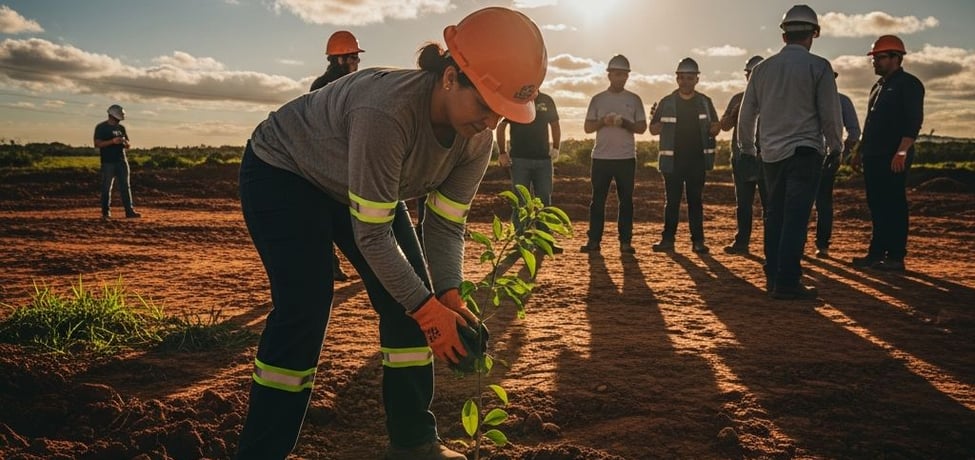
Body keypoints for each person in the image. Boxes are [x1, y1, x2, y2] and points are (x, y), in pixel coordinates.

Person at [234, 7, 547, 460]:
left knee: (412, 302)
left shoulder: (478, 138)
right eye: (484, 103)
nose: (490, 122)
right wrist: (426, 308)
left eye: (502, 113)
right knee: (305, 307)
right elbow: (374, 235)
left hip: (359, 185)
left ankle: (414, 444)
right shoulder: (387, 111)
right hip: (284, 171)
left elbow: (444, 222)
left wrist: (448, 296)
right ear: (449, 77)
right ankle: (261, 453)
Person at [737, 4, 843, 300]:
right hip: (806, 152)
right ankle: (787, 282)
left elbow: (747, 117)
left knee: (775, 216)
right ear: (814, 34)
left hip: (771, 155)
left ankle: (773, 277)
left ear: (784, 36)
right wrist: (836, 146)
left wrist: (747, 148)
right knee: (796, 217)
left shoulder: (761, 69)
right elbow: (830, 114)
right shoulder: (819, 66)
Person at [850, 35, 924, 272]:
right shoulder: (877, 87)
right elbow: (870, 123)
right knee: (877, 204)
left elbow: (913, 124)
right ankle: (876, 254)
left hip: (893, 157)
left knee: (893, 204)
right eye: (874, 58)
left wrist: (901, 152)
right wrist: (859, 151)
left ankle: (895, 257)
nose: (875, 62)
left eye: (880, 58)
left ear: (896, 58)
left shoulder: (909, 84)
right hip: (873, 155)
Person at [649, 57, 720, 254]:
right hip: (673, 162)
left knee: (695, 202)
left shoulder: (705, 102)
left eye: (690, 77)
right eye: (682, 77)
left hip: (697, 161)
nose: (686, 81)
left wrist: (716, 127)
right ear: (677, 78)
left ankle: (698, 242)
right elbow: (653, 130)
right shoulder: (666, 102)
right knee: (671, 202)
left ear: (697, 79)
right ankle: (668, 240)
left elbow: (715, 127)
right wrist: (656, 123)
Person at [310, 30, 366, 281]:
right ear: (339, 59)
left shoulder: (320, 85)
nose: (356, 62)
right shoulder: (333, 86)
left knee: (327, 217)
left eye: (356, 57)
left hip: (324, 159)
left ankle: (331, 264)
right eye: (353, 57)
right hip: (333, 159)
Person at [579, 54, 647, 254]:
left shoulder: (634, 99)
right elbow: (587, 128)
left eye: (624, 75)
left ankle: (625, 242)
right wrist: (603, 121)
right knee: (597, 201)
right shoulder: (598, 99)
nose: (621, 78)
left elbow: (642, 128)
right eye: (617, 74)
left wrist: (625, 122)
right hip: (601, 158)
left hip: (626, 158)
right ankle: (594, 241)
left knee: (626, 201)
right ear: (609, 75)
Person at [496, 90, 562, 251]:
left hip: (543, 160)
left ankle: (544, 241)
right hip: (519, 160)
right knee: (520, 201)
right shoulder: (515, 98)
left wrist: (556, 147)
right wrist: (502, 152)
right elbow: (501, 126)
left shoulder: (546, 100)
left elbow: (555, 124)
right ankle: (521, 241)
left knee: (544, 200)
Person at [720, 55, 767, 255]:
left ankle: (771, 244)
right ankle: (742, 242)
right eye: (750, 73)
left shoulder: (773, 98)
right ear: (746, 75)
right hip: (741, 158)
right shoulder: (737, 99)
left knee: (770, 205)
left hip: (767, 159)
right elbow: (724, 126)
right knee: (744, 204)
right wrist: (734, 114)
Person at [813, 73, 861, 258]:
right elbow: (855, 132)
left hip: (826, 157)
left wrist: (841, 153)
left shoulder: (842, 101)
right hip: (810, 155)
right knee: (815, 200)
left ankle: (821, 244)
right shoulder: (841, 101)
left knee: (820, 201)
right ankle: (812, 245)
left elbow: (854, 132)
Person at [93, 104, 141, 220]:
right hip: (108, 162)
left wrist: (124, 143)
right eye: (117, 118)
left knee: (125, 187)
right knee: (106, 187)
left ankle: (129, 211)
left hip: (122, 161)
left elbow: (128, 144)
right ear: (111, 116)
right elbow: (97, 144)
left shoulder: (121, 128)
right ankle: (106, 213)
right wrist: (112, 141)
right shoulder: (101, 127)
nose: (118, 121)